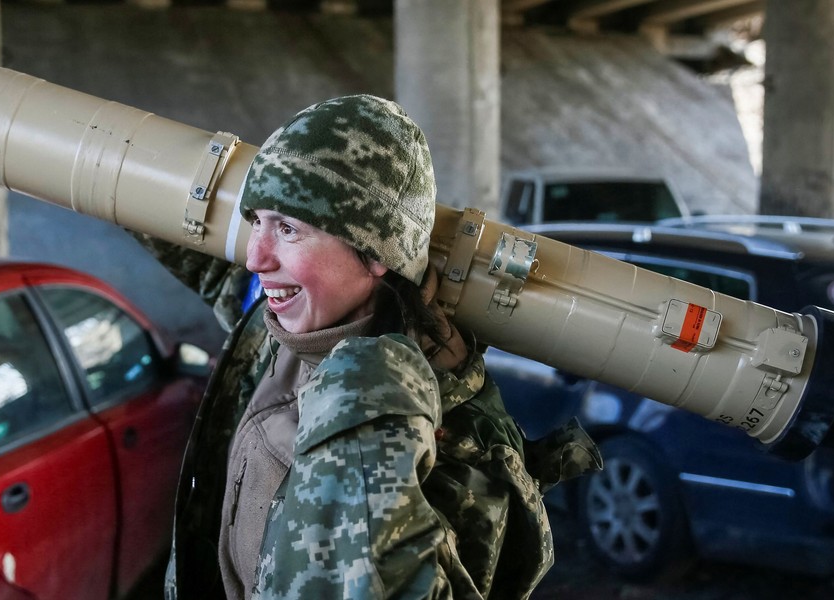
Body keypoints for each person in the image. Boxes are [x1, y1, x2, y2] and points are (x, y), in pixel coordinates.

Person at [137, 94, 600, 599]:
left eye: (288, 228)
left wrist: (368, 394)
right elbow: (212, 270)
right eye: (257, 222)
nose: (254, 257)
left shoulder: (457, 446)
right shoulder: (285, 331)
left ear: (377, 251)